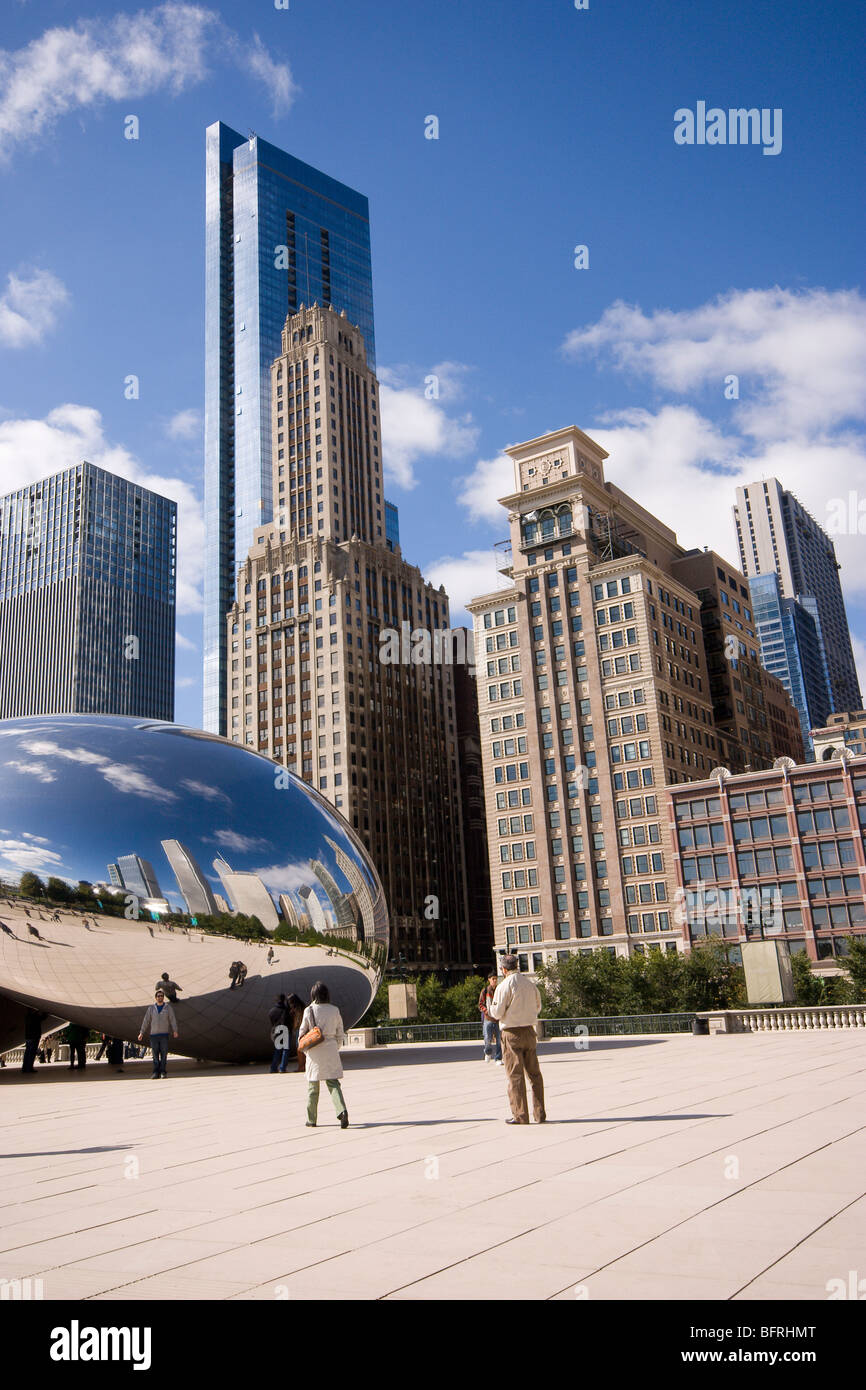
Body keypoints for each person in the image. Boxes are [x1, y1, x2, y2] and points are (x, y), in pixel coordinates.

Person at [489, 954, 545, 1125]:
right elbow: (538, 1007)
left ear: (503, 969)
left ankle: (520, 1115)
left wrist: (491, 1009)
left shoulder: (504, 986)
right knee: (534, 1074)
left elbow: (497, 1013)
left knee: (515, 1075)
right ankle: (539, 1113)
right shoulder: (530, 984)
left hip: (511, 1033)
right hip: (529, 1031)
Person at [299, 982, 348, 1128]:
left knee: (313, 1087)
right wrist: (335, 1046)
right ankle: (342, 1111)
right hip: (331, 1048)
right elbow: (340, 1033)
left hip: (315, 1051)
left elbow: (302, 1033)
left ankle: (311, 1119)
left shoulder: (309, 1010)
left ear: (313, 994)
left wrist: (306, 1049)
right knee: (333, 1084)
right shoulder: (334, 1010)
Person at [138, 988, 178, 1078]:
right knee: (155, 1055)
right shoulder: (151, 1008)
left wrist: (175, 1030)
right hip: (154, 1036)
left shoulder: (168, 1008)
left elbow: (172, 1019)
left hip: (164, 1035)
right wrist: (141, 1033)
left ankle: (163, 1072)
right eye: (159, 996)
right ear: (156, 998)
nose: (160, 997)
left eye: (162, 996)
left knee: (164, 1055)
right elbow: (146, 1021)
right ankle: (156, 1072)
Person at [479, 974, 503, 1065]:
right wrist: (486, 1011)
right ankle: (488, 1052)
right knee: (487, 1038)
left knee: (499, 1040)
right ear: (489, 979)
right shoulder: (485, 991)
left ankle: (498, 1058)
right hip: (488, 1019)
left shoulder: (499, 990)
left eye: (496, 979)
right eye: (493, 979)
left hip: (497, 1019)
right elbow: (480, 1004)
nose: (495, 981)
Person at [269, 994, 290, 1073]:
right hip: (284, 1029)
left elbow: (271, 1019)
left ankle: (273, 1068)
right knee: (285, 1050)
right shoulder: (285, 1010)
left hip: (276, 1030)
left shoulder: (272, 1010)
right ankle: (282, 1067)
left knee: (277, 1049)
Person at [21, 1008, 46, 1073]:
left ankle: (24, 1068)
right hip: (34, 1037)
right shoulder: (35, 1016)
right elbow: (42, 1018)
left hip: (28, 1037)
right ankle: (29, 1068)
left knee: (27, 1052)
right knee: (31, 1053)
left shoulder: (27, 1017)